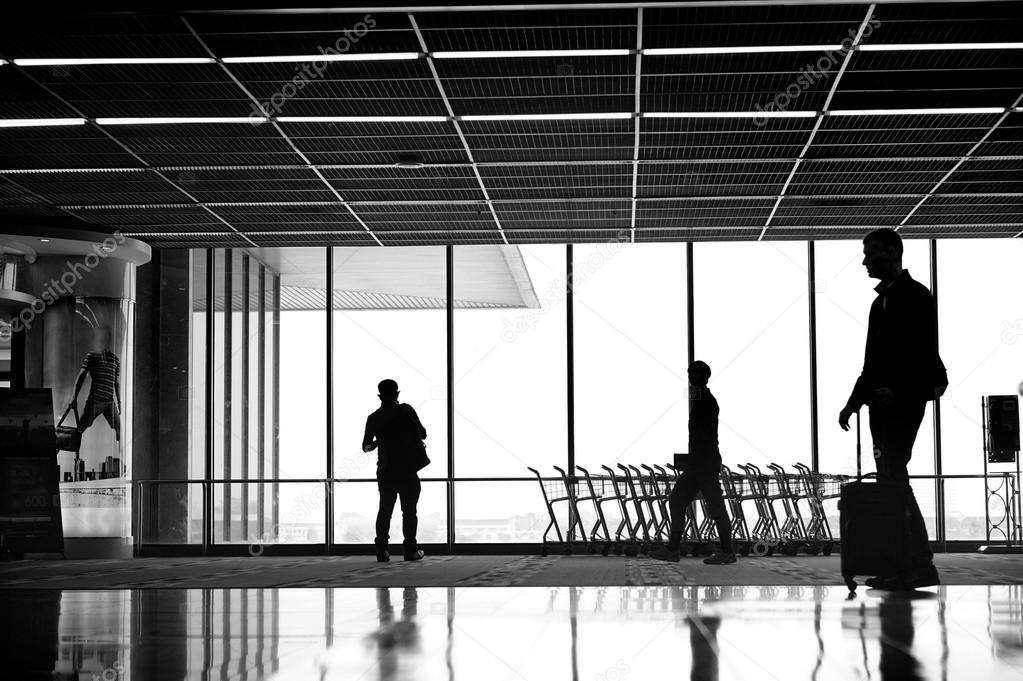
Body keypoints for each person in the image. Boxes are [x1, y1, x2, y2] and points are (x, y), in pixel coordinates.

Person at [838, 228, 948, 590]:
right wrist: (854, 401)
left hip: (902, 401)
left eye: (871, 253)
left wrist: (896, 390)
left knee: (895, 476)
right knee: (889, 478)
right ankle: (902, 563)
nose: (865, 261)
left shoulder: (915, 296)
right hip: (881, 402)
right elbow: (872, 362)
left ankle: (919, 563)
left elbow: (923, 354)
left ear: (892, 253)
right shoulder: (879, 302)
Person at [651, 360, 736, 565]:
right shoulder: (702, 400)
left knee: (715, 506)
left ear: (700, 377)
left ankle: (727, 551)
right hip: (699, 463)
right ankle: (673, 549)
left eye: (692, 374)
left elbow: (704, 437)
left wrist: (692, 461)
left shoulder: (706, 402)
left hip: (704, 463)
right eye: (689, 373)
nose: (689, 377)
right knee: (678, 500)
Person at [362, 379, 427, 562]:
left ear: (379, 396)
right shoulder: (406, 410)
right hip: (407, 469)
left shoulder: (373, 418)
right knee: (409, 511)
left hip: (385, 470)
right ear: (397, 394)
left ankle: (382, 550)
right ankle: (410, 550)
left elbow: (366, 446)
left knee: (385, 510)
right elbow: (423, 434)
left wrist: (378, 442)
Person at [70, 332, 122, 444]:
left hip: (109, 402)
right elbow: (81, 377)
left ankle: (122, 457)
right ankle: (61, 453)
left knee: (119, 429)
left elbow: (116, 382)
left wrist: (119, 402)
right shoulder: (92, 356)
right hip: (95, 401)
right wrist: (74, 398)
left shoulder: (115, 360)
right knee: (80, 429)